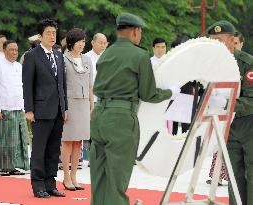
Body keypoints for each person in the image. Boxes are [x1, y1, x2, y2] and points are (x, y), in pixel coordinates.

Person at [90, 12, 179, 205]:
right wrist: (170, 92)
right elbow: (149, 94)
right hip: (121, 118)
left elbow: (97, 86)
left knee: (99, 177)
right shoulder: (139, 55)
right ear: (135, 32)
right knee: (117, 178)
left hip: (98, 116)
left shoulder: (107, 54)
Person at [207, 20, 253, 205]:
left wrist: (228, 104)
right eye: (212, 40)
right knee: (234, 173)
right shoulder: (212, 66)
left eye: (219, 40)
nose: (215, 44)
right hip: (227, 127)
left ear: (231, 40)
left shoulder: (247, 63)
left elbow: (251, 99)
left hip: (249, 124)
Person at [22, 19, 68, 198]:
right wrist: (29, 109)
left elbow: (62, 84)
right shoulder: (32, 56)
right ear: (40, 35)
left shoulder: (58, 55)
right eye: (48, 33)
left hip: (58, 110)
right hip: (40, 110)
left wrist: (65, 108)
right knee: (39, 149)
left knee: (53, 150)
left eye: (54, 33)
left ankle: (51, 184)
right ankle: (38, 185)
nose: (52, 36)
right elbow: (27, 85)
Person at [61, 28, 93, 191]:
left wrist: (91, 103)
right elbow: (60, 85)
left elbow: (90, 84)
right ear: (71, 42)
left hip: (83, 104)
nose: (82, 44)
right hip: (69, 103)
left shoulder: (87, 60)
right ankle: (66, 177)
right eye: (79, 41)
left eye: (83, 41)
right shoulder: (63, 59)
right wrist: (63, 107)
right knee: (67, 140)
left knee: (78, 141)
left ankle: (74, 176)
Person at [0, 40, 29, 176]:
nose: (14, 52)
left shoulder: (19, 67)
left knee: (18, 138)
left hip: (18, 106)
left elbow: (22, 88)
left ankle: (14, 166)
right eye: (11, 50)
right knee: (6, 139)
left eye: (16, 50)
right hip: (4, 107)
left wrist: (25, 107)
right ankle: (4, 167)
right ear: (4, 50)